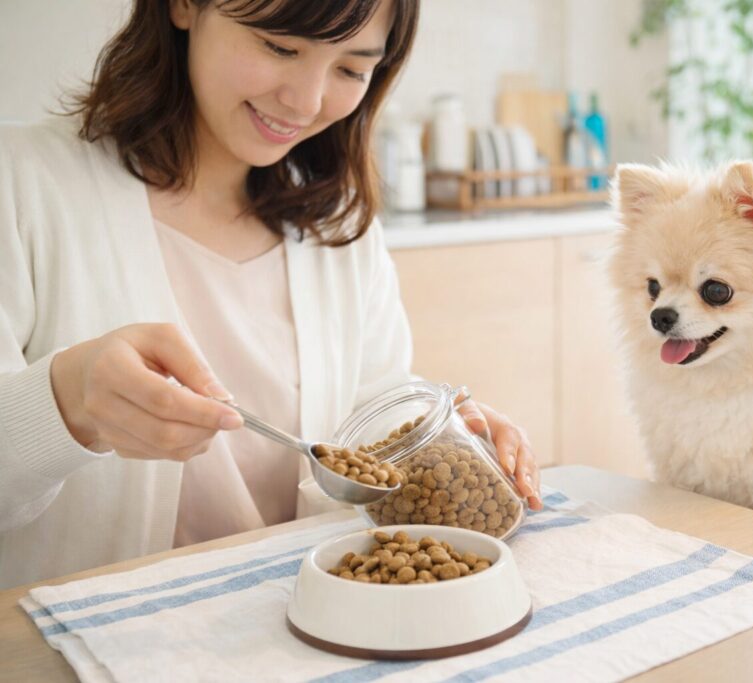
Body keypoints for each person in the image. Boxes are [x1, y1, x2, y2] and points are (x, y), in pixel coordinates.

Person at [0, 0, 541, 589]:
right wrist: (67, 403)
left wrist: (431, 433)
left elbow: (371, 400)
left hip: (297, 637)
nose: (306, 102)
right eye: (280, 47)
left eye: (351, 70)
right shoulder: (22, 184)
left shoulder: (338, 223)